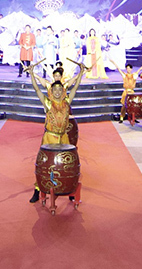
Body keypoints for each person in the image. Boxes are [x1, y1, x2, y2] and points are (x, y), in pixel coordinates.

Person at [27, 60, 87, 202]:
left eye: (60, 90)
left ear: (63, 91)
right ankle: (38, 189)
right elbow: (36, 89)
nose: (58, 92)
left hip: (64, 137)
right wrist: (31, 74)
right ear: (52, 91)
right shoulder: (48, 103)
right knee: (46, 166)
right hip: (50, 138)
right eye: (55, 90)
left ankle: (69, 190)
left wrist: (81, 73)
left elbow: (76, 87)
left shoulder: (67, 102)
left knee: (66, 165)